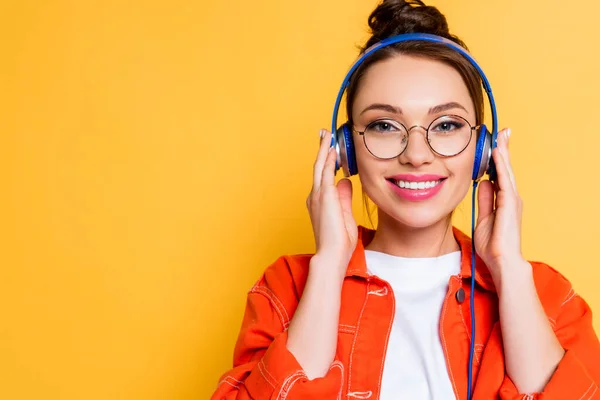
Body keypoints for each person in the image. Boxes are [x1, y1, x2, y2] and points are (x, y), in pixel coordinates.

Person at [211, 1, 600, 399]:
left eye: (446, 124)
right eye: (384, 125)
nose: (416, 154)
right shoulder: (288, 287)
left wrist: (508, 270)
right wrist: (328, 266)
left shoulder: (545, 295)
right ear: (346, 149)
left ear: (483, 151)